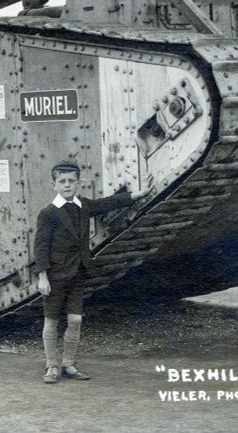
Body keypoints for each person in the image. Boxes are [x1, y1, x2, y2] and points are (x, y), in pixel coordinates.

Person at [33, 159, 153, 384]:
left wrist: (136, 195)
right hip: (55, 276)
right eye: (62, 181)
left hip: (78, 273)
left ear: (78, 183)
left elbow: (107, 203)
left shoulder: (83, 206)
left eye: (71, 181)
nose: (67, 185)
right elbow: (40, 247)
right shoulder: (48, 213)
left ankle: (68, 363)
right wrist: (42, 276)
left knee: (75, 320)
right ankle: (51, 365)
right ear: (54, 185)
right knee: (51, 321)